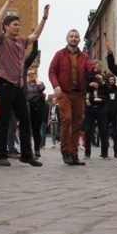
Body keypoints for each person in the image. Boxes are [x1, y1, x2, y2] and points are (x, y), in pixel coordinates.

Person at [0, 0, 49, 167]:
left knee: (25, 121)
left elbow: (36, 36)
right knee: (4, 119)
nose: (18, 27)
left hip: (19, 86)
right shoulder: (0, 40)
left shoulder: (21, 42)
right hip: (5, 84)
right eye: (15, 25)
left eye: (18, 25)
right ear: (7, 27)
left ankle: (27, 154)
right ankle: (2, 155)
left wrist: (44, 18)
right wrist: (8, 2)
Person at [48, 29, 95, 166]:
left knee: (77, 124)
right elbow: (52, 71)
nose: (74, 39)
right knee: (66, 119)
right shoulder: (60, 54)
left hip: (79, 94)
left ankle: (74, 154)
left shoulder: (84, 56)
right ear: (67, 38)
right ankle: (65, 151)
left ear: (79, 40)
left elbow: (89, 68)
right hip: (64, 93)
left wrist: (94, 70)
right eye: (71, 36)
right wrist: (56, 86)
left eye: (76, 37)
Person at [82, 70, 110, 159]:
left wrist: (102, 81)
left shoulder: (103, 78)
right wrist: (89, 85)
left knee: (103, 131)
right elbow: (82, 89)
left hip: (101, 107)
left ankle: (104, 153)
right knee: (88, 130)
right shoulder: (87, 78)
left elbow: (108, 90)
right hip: (90, 107)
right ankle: (87, 153)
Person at [26, 68, 46, 158]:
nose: (31, 75)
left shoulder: (40, 83)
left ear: (35, 74)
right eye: (29, 74)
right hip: (28, 108)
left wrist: (37, 81)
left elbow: (41, 88)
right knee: (27, 130)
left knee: (36, 130)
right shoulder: (25, 84)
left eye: (32, 73)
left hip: (37, 109)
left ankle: (37, 149)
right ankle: (28, 149)